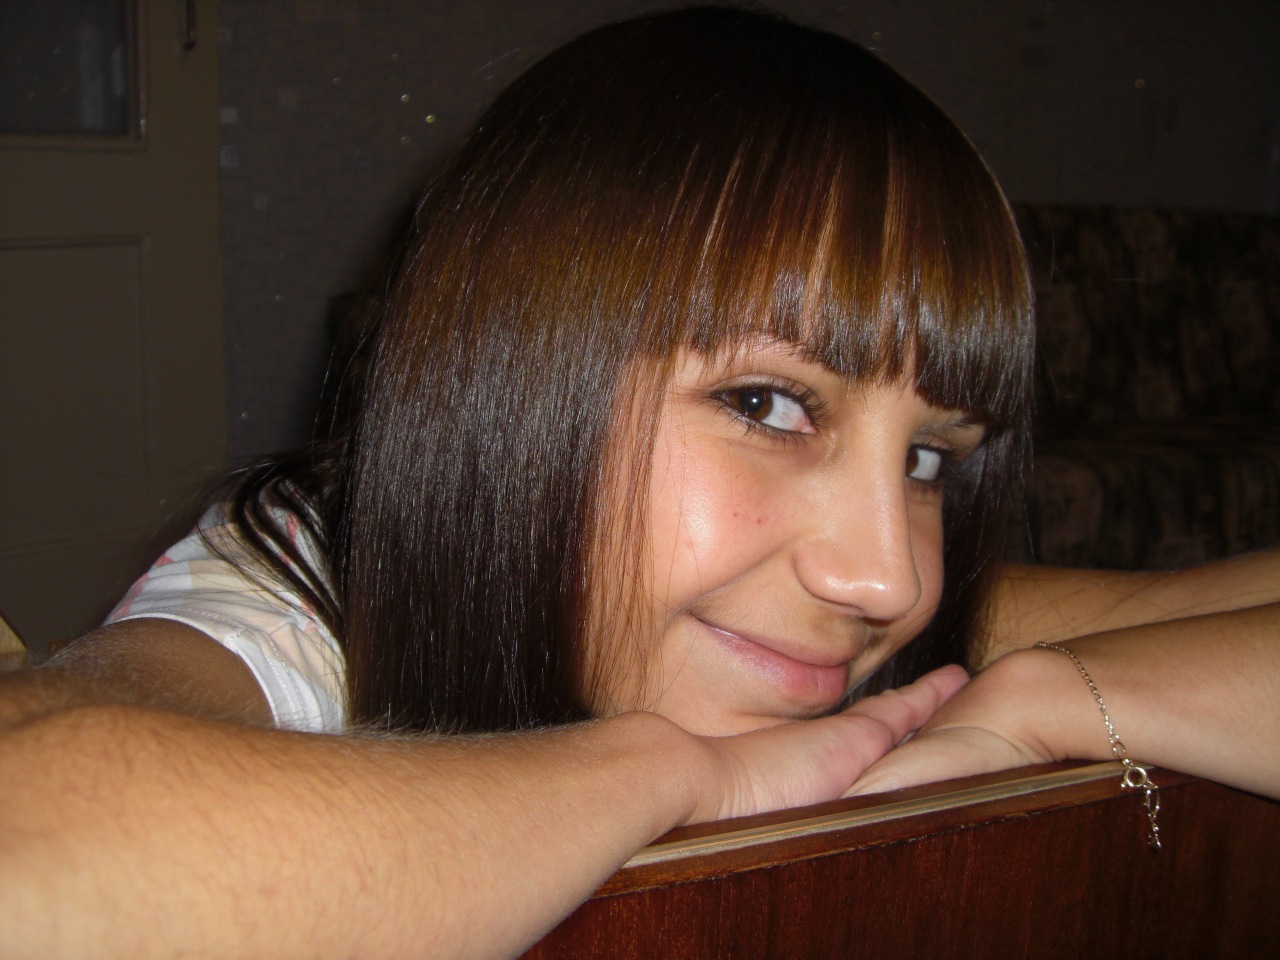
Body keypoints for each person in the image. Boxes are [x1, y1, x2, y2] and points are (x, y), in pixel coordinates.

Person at [2, 6, 1277, 958]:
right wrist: (669, 771)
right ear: (517, 386)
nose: (884, 577)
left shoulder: (833, 611)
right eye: (765, 404)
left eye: (928, 458)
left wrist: (1056, 701)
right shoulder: (311, 596)